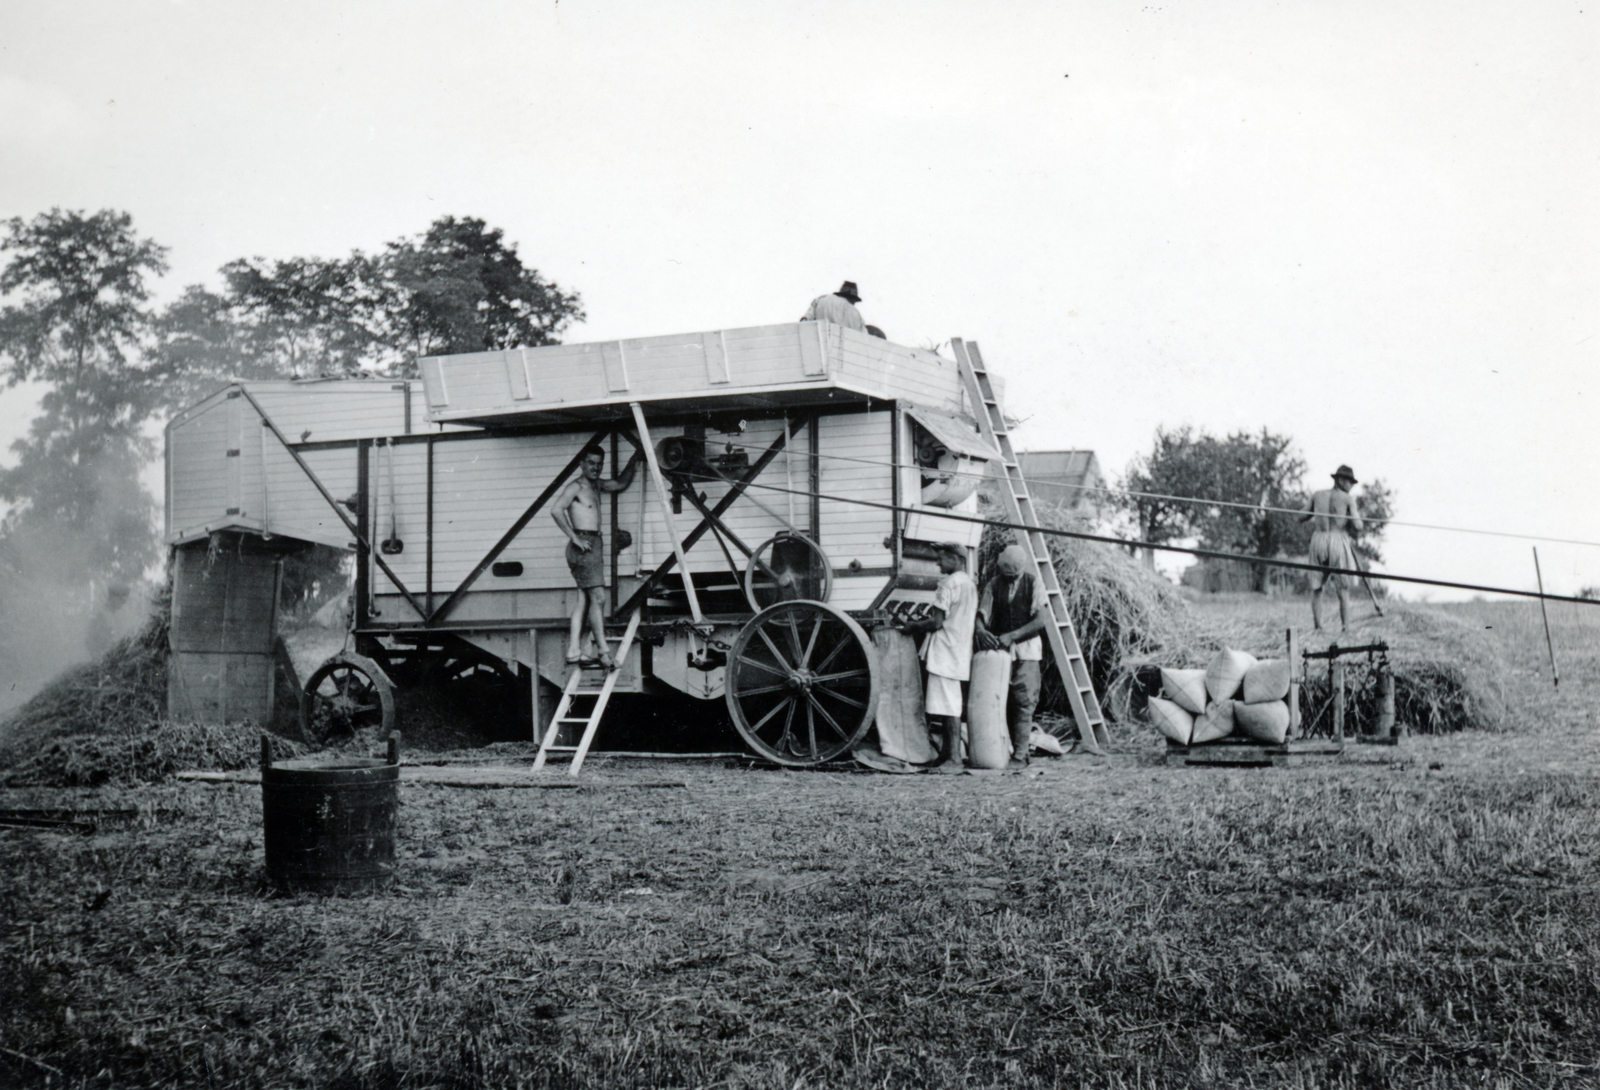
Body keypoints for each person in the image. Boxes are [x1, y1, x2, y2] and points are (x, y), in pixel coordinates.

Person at [551, 443, 641, 668]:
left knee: (584, 599)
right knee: (599, 598)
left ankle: (575, 651)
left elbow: (620, 482)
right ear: (582, 464)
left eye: (599, 464)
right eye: (591, 463)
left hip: (593, 544)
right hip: (584, 545)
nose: (595, 468)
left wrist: (635, 458)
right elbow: (555, 509)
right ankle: (602, 652)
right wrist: (574, 538)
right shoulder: (576, 487)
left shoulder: (597, 485)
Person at [895, 542, 977, 773]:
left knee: (949, 707)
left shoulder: (949, 584)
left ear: (955, 558)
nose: (938, 563)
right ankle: (945, 755)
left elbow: (937, 622)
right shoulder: (969, 584)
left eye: (941, 559)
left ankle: (953, 759)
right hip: (958, 649)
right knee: (949, 703)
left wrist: (913, 626)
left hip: (945, 651)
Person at [975, 544, 1049, 770]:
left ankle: (1020, 754)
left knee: (1024, 700)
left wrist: (1013, 636)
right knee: (999, 700)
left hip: (1027, 651)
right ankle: (1003, 751)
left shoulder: (1034, 583)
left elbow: (1040, 621)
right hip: (1001, 653)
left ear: (1021, 570)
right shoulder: (993, 584)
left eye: (1014, 576)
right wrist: (980, 629)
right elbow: (982, 616)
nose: (1010, 580)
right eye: (1006, 575)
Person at [1300, 464, 1367, 633]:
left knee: (1317, 587)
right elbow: (1358, 526)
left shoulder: (1317, 495)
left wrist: (1318, 512)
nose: (1351, 486)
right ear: (1340, 480)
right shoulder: (1347, 499)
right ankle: (1345, 628)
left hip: (1319, 540)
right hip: (1337, 541)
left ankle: (1318, 627)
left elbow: (1301, 516)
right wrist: (1353, 520)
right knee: (1342, 588)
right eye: (1350, 482)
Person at [800, 281, 866, 332]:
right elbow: (863, 337)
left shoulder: (821, 299)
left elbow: (805, 321)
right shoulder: (857, 314)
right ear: (853, 299)